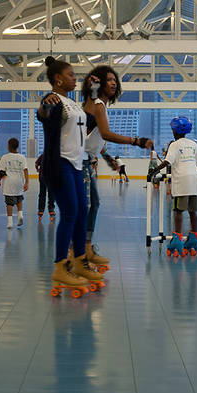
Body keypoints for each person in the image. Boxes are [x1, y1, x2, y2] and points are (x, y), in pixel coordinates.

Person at [38, 56, 104, 295]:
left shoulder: (73, 103)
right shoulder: (54, 100)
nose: (75, 77)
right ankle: (59, 267)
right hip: (60, 164)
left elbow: (91, 115)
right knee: (69, 214)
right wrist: (45, 105)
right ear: (58, 79)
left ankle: (78, 261)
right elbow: (43, 113)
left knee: (82, 212)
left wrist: (94, 90)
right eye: (70, 75)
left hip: (77, 164)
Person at [82, 65, 153, 272]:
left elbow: (94, 139)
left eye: (115, 80)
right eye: (109, 79)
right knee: (85, 207)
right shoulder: (97, 104)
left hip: (86, 160)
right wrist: (136, 141)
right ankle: (77, 253)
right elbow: (105, 134)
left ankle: (85, 249)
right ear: (100, 83)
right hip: (79, 161)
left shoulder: (97, 104)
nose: (113, 83)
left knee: (92, 204)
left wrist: (108, 159)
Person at [149, 116, 197, 257]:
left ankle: (177, 239)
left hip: (182, 181)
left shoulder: (174, 144)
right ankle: (195, 238)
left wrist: (153, 171)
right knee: (193, 211)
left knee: (178, 211)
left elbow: (167, 161)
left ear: (175, 131)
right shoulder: (193, 144)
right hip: (194, 181)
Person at [0, 138, 28, 229]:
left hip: (9, 182)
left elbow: (1, 172)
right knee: (19, 198)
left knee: (9, 202)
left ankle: (10, 222)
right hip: (19, 181)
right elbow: (25, 170)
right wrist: (27, 182)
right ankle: (20, 215)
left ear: (9, 146)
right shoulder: (22, 157)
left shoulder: (5, 157)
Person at [35, 153, 55, 222]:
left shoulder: (43, 155)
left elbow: (36, 164)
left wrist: (37, 169)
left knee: (42, 194)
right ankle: (51, 209)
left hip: (42, 177)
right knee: (51, 194)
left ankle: (41, 211)